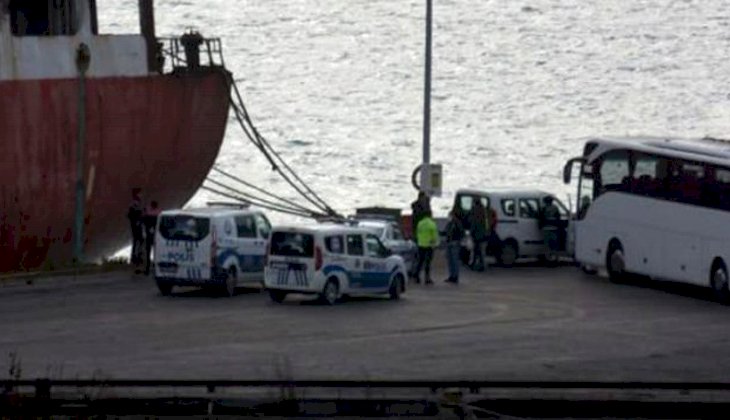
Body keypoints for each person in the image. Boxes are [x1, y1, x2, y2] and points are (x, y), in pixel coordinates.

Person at [413, 209, 439, 285]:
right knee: (428, 262)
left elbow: (418, 233)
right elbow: (434, 236)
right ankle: (427, 278)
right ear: (430, 215)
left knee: (420, 262)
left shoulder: (420, 223)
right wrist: (435, 244)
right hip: (429, 245)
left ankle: (416, 276)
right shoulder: (432, 224)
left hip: (421, 244)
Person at [443, 210, 465, 284]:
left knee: (454, 260)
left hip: (454, 243)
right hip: (450, 242)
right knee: (450, 260)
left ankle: (455, 276)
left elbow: (461, 232)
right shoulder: (450, 223)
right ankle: (452, 276)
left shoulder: (456, 223)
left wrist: (457, 239)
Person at [127, 188, 145, 272]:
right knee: (138, 240)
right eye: (140, 193)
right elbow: (132, 214)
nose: (141, 195)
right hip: (136, 224)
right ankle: (136, 257)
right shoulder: (135, 203)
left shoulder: (137, 203)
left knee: (138, 240)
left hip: (137, 224)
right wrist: (138, 219)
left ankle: (137, 256)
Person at [539, 196, 561, 261]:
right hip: (554, 229)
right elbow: (558, 218)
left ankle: (548, 259)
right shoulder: (555, 208)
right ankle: (555, 258)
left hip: (546, 229)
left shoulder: (543, 208)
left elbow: (540, 219)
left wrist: (540, 227)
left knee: (547, 245)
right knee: (554, 244)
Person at [143, 200, 161, 275]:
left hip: (149, 236)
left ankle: (147, 268)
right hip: (156, 236)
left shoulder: (147, 213)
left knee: (148, 252)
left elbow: (143, 221)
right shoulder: (159, 213)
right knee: (156, 252)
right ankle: (155, 267)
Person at [469, 200, 487, 271]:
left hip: (476, 234)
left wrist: (471, 232)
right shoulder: (483, 211)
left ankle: (474, 264)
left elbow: (474, 223)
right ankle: (481, 265)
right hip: (483, 234)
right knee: (481, 251)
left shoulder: (475, 211)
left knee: (476, 250)